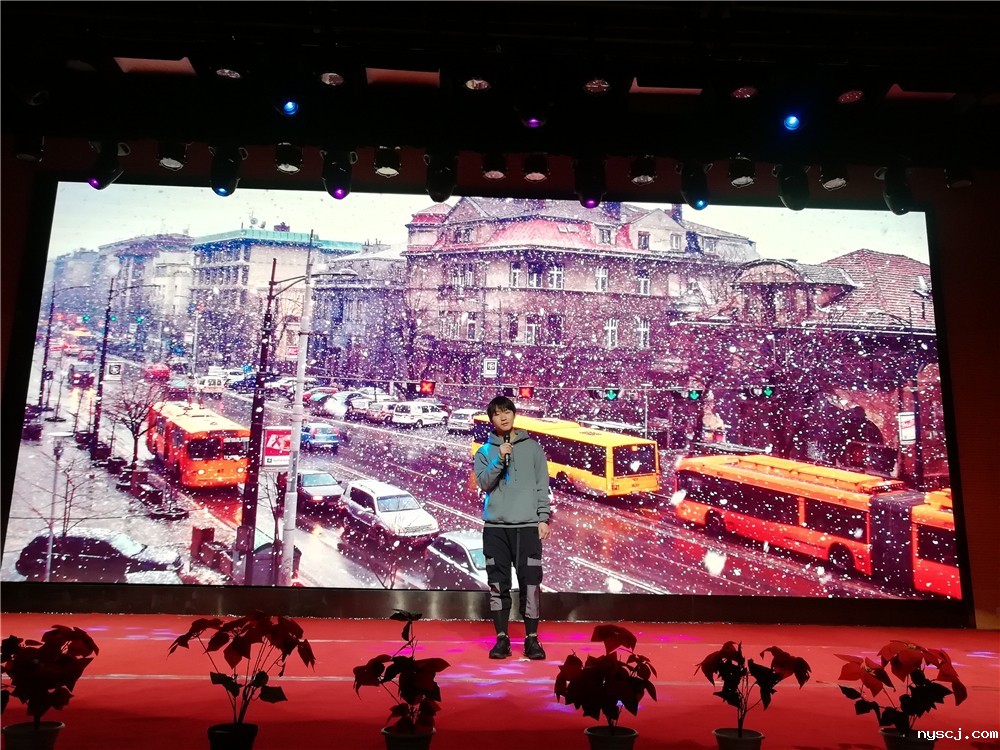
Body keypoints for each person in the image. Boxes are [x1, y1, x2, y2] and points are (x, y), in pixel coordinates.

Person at [473, 395, 551, 660]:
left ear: (514, 414)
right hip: (495, 528)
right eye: (497, 414)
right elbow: (484, 483)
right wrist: (499, 459)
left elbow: (542, 486)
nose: (503, 417)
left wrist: (543, 518)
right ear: (491, 419)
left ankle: (532, 639)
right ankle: (501, 638)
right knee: (498, 584)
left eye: (507, 411)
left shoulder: (534, 449)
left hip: (527, 528)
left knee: (531, 584)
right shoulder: (484, 452)